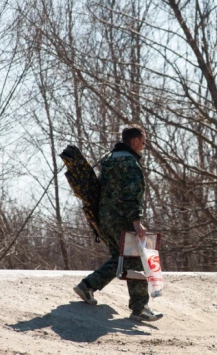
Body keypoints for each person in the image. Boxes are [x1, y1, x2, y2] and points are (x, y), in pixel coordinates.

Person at [73, 125, 163, 322]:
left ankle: (87, 287)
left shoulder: (109, 160)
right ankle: (140, 308)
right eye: (143, 140)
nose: (144, 145)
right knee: (136, 259)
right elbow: (131, 195)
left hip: (105, 218)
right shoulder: (130, 163)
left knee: (119, 258)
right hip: (123, 219)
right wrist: (136, 222)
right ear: (135, 141)